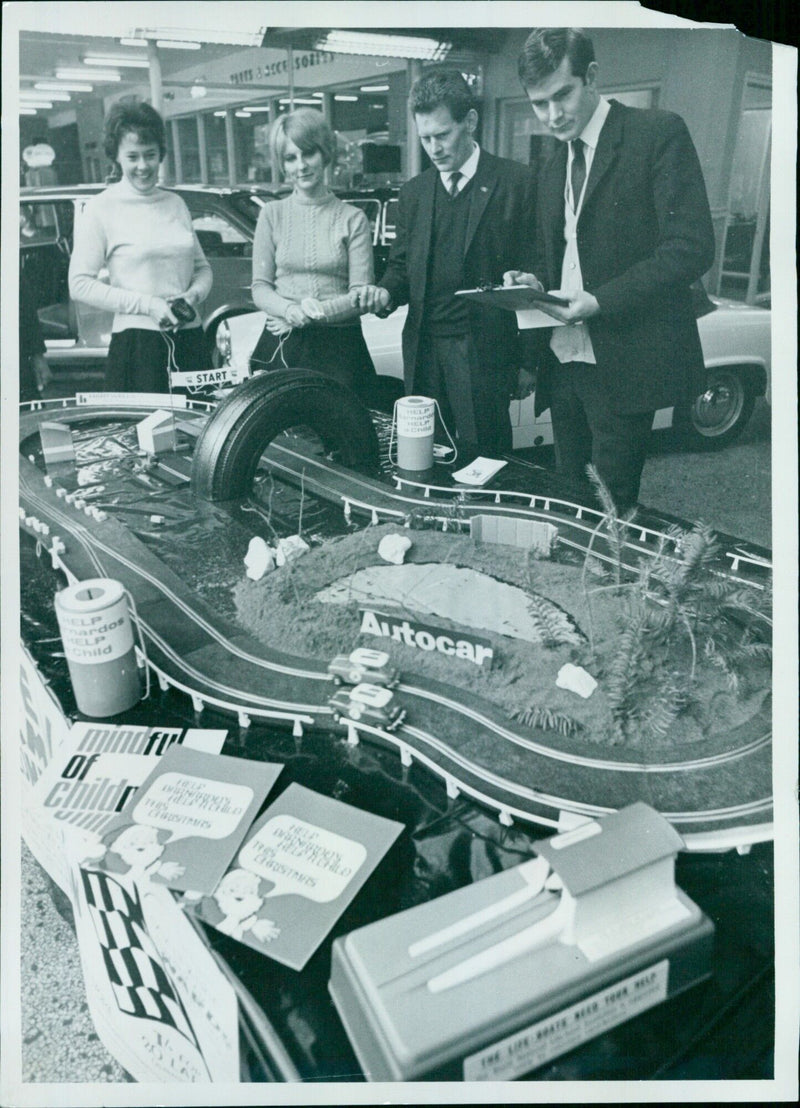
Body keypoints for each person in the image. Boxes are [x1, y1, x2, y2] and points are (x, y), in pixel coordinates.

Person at [506, 27, 715, 514]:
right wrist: (533, 282)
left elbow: (691, 247)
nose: (553, 115)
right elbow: (555, 256)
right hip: (564, 362)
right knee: (572, 501)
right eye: (539, 104)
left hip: (624, 360)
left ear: (592, 77)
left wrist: (600, 300)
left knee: (611, 510)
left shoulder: (657, 133)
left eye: (563, 94)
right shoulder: (553, 166)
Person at [355, 68, 537, 458]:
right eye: (425, 138)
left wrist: (530, 360)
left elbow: (538, 276)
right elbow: (401, 268)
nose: (433, 148)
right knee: (423, 458)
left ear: (469, 122)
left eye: (442, 135)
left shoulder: (515, 182)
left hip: (484, 353)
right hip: (423, 352)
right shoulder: (415, 193)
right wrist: (384, 292)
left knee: (485, 462)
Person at [68, 101, 212, 393]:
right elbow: (79, 284)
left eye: (151, 155)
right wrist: (149, 305)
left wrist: (193, 296)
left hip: (191, 339)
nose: (143, 166)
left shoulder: (176, 203)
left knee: (202, 432)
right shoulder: (100, 208)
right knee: (142, 436)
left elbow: (202, 268)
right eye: (132, 156)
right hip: (138, 347)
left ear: (161, 154)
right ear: (116, 157)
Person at [249, 109, 378, 397]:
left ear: (325, 153)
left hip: (340, 350)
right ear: (282, 164)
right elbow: (260, 287)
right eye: (290, 158)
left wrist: (311, 314)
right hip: (282, 343)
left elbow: (360, 295)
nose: (301, 166)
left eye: (308, 153)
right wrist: (289, 311)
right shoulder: (271, 214)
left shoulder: (353, 218)